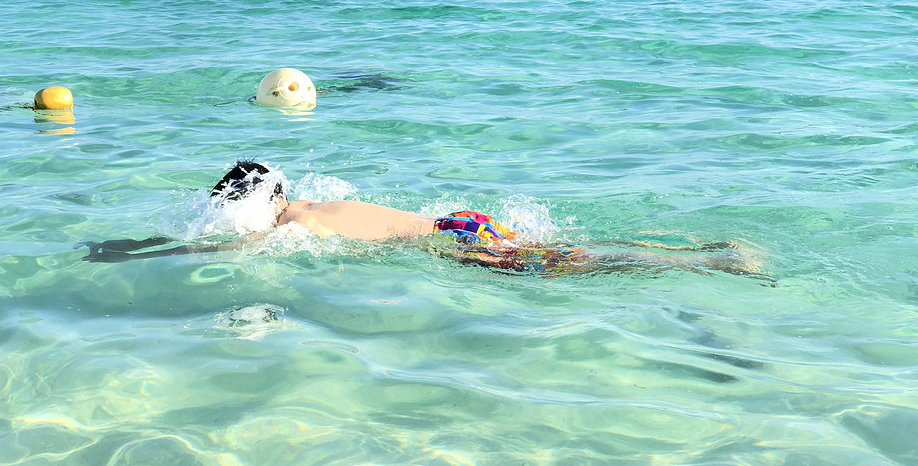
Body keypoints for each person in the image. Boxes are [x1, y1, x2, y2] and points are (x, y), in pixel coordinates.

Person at [80, 160, 767, 279]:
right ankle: (705, 246)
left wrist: (135, 254)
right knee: (570, 250)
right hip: (458, 222)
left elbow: (217, 255)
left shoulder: (292, 230)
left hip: (459, 241)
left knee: (575, 266)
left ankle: (714, 263)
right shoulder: (311, 199)